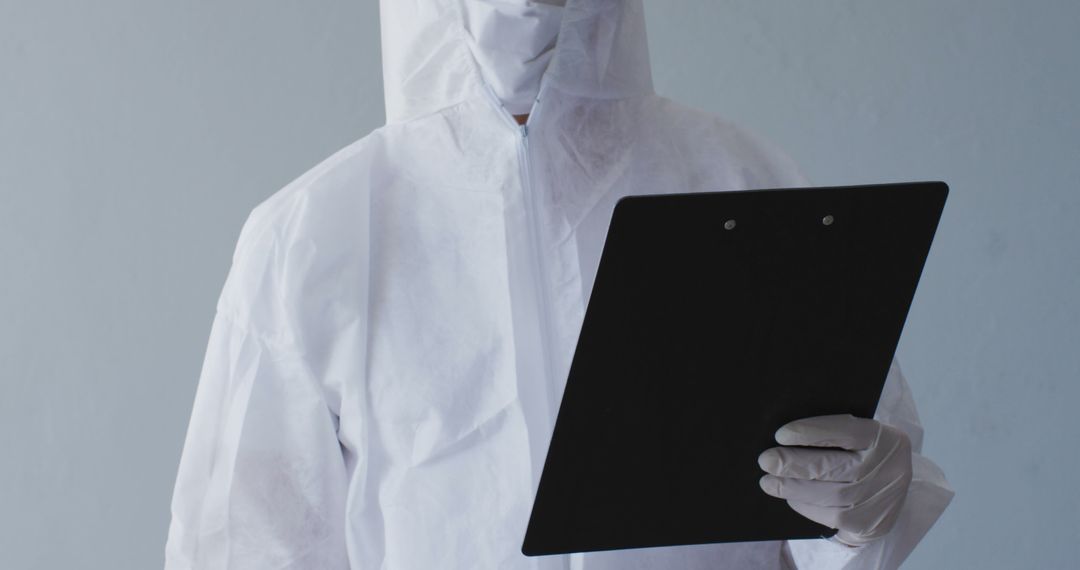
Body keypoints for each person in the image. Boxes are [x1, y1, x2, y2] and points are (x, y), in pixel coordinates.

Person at [164, 1, 953, 568]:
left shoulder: (741, 182)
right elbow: (241, 548)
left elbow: (851, 504)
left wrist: (865, 517)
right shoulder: (315, 236)